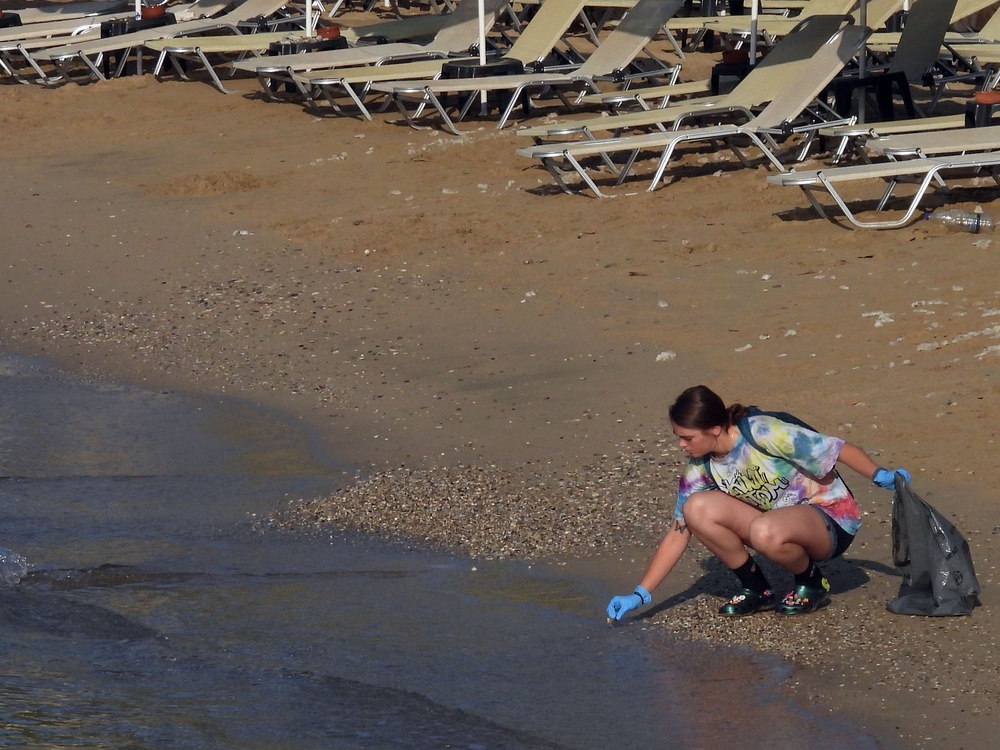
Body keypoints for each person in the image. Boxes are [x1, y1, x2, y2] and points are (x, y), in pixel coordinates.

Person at [607, 385, 911, 620]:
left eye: (687, 437)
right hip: (776, 523)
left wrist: (879, 475)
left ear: (714, 429)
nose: (680, 444)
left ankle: (812, 583)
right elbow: (679, 531)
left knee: (766, 530)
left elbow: (836, 448)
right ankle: (757, 590)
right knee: (695, 508)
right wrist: (640, 594)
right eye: (678, 436)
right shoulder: (701, 466)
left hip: (830, 521)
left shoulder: (762, 432)